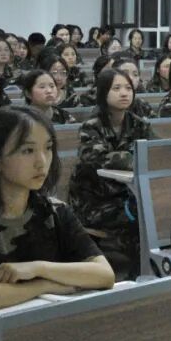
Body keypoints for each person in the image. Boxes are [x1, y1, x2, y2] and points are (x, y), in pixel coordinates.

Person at [0, 107, 113, 316]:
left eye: (48, 148)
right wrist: (42, 286)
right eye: (28, 151)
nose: (42, 162)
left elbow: (105, 274)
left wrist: (39, 268)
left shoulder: (56, 212)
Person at [68, 68, 155, 281]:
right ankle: (139, 278)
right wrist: (135, 158)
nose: (124, 93)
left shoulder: (139, 123)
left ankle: (147, 274)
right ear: (103, 93)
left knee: (152, 213)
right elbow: (96, 158)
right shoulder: (91, 126)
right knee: (142, 221)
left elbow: (156, 153)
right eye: (116, 88)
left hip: (127, 196)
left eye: (128, 88)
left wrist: (137, 158)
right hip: (94, 202)